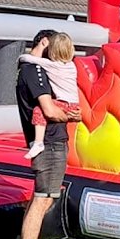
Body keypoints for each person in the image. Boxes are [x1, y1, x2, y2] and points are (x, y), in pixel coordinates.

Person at [13, 30, 81, 239]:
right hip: (49, 143)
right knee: (41, 200)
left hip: (52, 141)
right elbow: (50, 110)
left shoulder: (37, 69)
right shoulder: (34, 71)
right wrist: (72, 116)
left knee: (41, 200)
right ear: (44, 43)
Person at [18, 32, 80, 160]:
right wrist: (71, 116)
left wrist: (21, 58)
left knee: (38, 111)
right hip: (72, 104)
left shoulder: (51, 65)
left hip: (64, 106)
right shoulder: (71, 66)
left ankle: (38, 142)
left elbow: (50, 112)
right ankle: (38, 143)